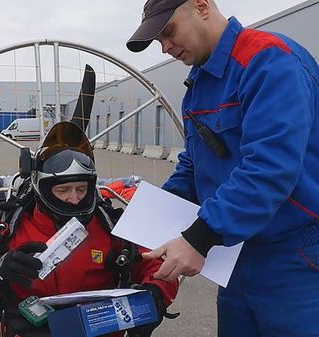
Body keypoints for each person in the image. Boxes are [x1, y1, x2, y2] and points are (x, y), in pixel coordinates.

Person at [126, 0, 319, 336]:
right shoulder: (199, 85)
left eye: (168, 32)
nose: (165, 47)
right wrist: (147, 220)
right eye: (158, 42)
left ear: (201, 6)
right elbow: (195, 163)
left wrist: (200, 237)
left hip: (295, 256)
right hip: (235, 252)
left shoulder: (268, 61)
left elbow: (270, 167)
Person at [0, 122, 179, 337]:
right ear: (42, 189)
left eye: (81, 189)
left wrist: (155, 295)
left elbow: (159, 266)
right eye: (63, 191)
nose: (74, 199)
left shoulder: (110, 227)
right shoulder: (12, 228)